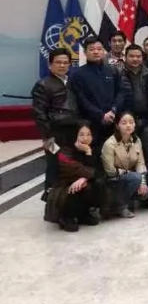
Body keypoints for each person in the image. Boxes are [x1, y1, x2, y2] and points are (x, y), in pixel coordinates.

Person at [31, 48, 80, 198]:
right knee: (54, 165)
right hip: (53, 134)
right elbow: (39, 114)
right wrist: (47, 138)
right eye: (58, 62)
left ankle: (69, 200)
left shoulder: (72, 82)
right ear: (50, 64)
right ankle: (51, 200)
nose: (62, 65)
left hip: (73, 132)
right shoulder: (43, 85)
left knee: (72, 165)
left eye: (65, 62)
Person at [45, 122, 104, 232]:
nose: (85, 138)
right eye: (81, 134)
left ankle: (83, 213)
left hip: (81, 182)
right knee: (78, 188)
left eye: (89, 134)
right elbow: (75, 169)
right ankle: (66, 216)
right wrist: (85, 176)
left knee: (98, 183)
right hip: (62, 186)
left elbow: (99, 171)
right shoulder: (62, 151)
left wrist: (88, 152)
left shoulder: (94, 148)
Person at [70, 37, 125, 150]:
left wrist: (113, 110)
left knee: (114, 152)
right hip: (91, 122)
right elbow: (81, 99)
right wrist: (101, 115)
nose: (96, 52)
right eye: (91, 49)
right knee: (94, 154)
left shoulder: (112, 70)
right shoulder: (77, 75)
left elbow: (121, 92)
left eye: (99, 49)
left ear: (104, 51)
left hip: (113, 119)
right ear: (85, 52)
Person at [101, 112, 148, 218]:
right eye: (124, 123)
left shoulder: (137, 140)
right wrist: (130, 174)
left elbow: (140, 163)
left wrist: (143, 183)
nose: (128, 125)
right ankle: (120, 206)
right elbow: (110, 171)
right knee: (135, 178)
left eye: (131, 122)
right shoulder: (109, 144)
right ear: (117, 125)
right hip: (113, 180)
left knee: (145, 193)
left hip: (130, 176)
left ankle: (126, 200)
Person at [121, 44, 148, 131]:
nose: (135, 59)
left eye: (138, 56)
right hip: (125, 118)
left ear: (142, 57)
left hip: (147, 118)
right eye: (131, 56)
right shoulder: (118, 74)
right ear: (125, 57)